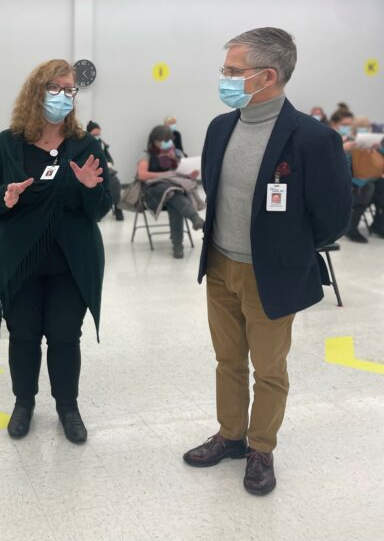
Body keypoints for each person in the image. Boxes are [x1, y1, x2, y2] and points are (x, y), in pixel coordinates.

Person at [184, 27, 351, 496]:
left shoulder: (312, 138)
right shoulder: (222, 127)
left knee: (269, 368)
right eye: (225, 70)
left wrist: (286, 250)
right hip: (219, 265)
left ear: (268, 76)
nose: (225, 78)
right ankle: (231, 435)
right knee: (227, 360)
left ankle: (261, 447)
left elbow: (333, 217)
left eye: (233, 71)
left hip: (271, 273)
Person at [0, 59, 112, 445]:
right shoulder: (8, 143)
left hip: (71, 262)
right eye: (55, 87)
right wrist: (5, 196)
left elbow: (101, 208)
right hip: (19, 261)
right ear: (36, 92)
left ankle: (68, 407)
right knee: (23, 335)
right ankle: (24, 404)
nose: (64, 95)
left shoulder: (86, 144)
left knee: (66, 335)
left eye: (70, 89)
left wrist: (89, 188)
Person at [136, 125, 205, 259]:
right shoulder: (147, 154)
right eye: (160, 141)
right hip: (153, 191)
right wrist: (165, 174)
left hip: (173, 191)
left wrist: (189, 172)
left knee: (173, 197)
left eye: (166, 140)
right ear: (153, 140)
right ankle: (193, 219)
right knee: (173, 194)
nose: (163, 144)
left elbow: (183, 173)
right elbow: (142, 175)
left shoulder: (176, 153)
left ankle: (178, 245)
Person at [342, 116, 384, 242]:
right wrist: (349, 148)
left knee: (382, 185)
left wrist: (378, 148)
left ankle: (378, 224)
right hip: (351, 180)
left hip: (368, 177)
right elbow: (341, 164)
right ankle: (351, 228)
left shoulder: (372, 141)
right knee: (368, 188)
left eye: (366, 127)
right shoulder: (347, 141)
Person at [87, 121, 123, 220]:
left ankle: (118, 208)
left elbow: (109, 158)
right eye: (95, 135)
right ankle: (98, 210)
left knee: (115, 182)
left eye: (98, 135)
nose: (97, 137)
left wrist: (109, 163)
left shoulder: (102, 144)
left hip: (105, 170)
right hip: (91, 172)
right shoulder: (85, 145)